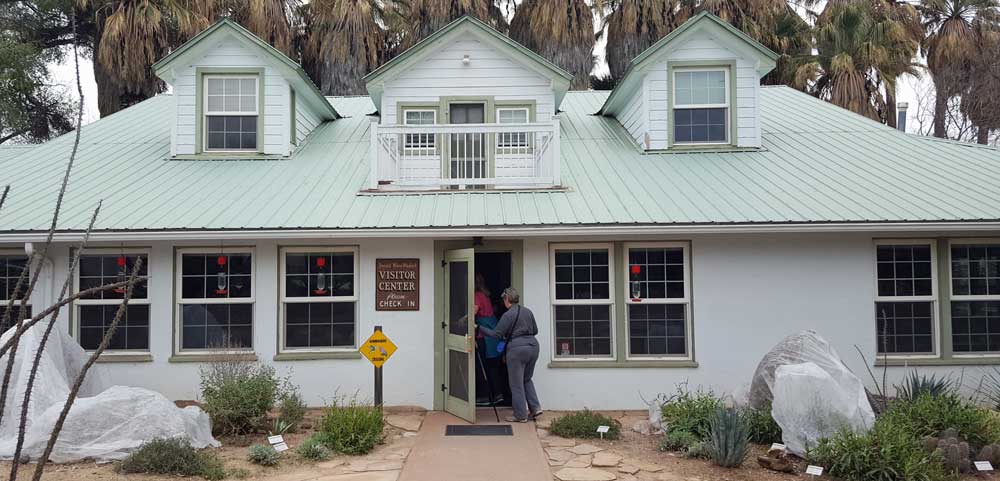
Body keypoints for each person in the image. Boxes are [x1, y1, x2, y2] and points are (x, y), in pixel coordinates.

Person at [477, 287, 542, 423]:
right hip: (533, 346)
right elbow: (535, 330)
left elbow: (496, 335)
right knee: (526, 379)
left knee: (516, 383)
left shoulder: (507, 315)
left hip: (517, 349)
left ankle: (520, 415)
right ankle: (535, 408)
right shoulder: (527, 311)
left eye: (503, 299)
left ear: (507, 299)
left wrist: (478, 328)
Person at [473, 274, 505, 406]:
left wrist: (462, 320)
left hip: (483, 335)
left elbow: (472, 312)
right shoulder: (486, 295)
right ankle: (498, 394)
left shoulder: (476, 295)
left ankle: (484, 397)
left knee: (481, 367)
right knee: (493, 366)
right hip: (493, 335)